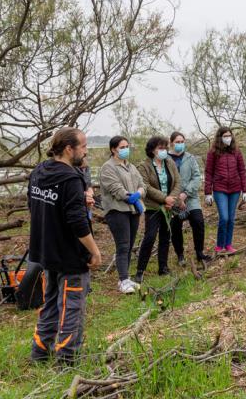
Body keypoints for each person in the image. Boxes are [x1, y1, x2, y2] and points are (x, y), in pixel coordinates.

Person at [28, 127, 102, 365]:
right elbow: (77, 223)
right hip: (69, 256)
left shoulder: (39, 171)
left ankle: (40, 353)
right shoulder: (70, 178)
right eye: (83, 146)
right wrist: (94, 251)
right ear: (69, 149)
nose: (86, 151)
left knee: (50, 302)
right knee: (71, 307)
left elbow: (35, 206)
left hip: (45, 251)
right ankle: (67, 359)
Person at [99, 136, 146, 294]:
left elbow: (142, 184)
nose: (126, 149)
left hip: (133, 210)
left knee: (129, 245)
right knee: (123, 245)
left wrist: (139, 193)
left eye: (127, 146)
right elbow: (115, 188)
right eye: (122, 147)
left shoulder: (130, 166)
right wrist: (129, 196)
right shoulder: (108, 167)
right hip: (117, 210)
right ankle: (123, 280)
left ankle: (125, 279)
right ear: (113, 149)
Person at [133, 135, 181, 282]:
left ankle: (163, 268)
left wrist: (171, 199)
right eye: (160, 148)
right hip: (153, 207)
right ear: (152, 150)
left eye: (165, 148)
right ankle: (140, 271)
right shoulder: (144, 165)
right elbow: (145, 186)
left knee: (166, 237)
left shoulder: (169, 162)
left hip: (168, 206)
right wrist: (163, 198)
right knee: (150, 237)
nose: (164, 151)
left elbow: (178, 182)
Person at [204, 127, 246, 254]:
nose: (228, 138)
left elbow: (242, 170)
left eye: (229, 135)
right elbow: (208, 172)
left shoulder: (236, 152)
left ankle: (228, 244)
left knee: (231, 218)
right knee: (223, 218)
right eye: (225, 136)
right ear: (220, 137)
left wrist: (245, 190)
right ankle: (220, 245)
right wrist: (208, 192)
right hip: (220, 189)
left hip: (235, 189)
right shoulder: (213, 152)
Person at [168, 131, 210, 264]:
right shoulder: (166, 160)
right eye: (177, 142)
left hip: (191, 198)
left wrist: (186, 193)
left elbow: (197, 177)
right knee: (175, 227)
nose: (180, 144)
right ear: (171, 143)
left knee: (198, 222)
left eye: (182, 142)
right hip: (173, 200)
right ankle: (180, 255)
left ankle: (199, 252)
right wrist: (176, 198)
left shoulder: (190, 158)